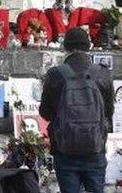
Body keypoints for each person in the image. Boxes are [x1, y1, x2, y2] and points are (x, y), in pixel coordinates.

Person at [39, 27, 114, 193]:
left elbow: (45, 112)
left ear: (66, 48)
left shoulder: (56, 74)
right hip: (95, 147)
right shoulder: (102, 73)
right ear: (89, 47)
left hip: (64, 149)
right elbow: (109, 112)